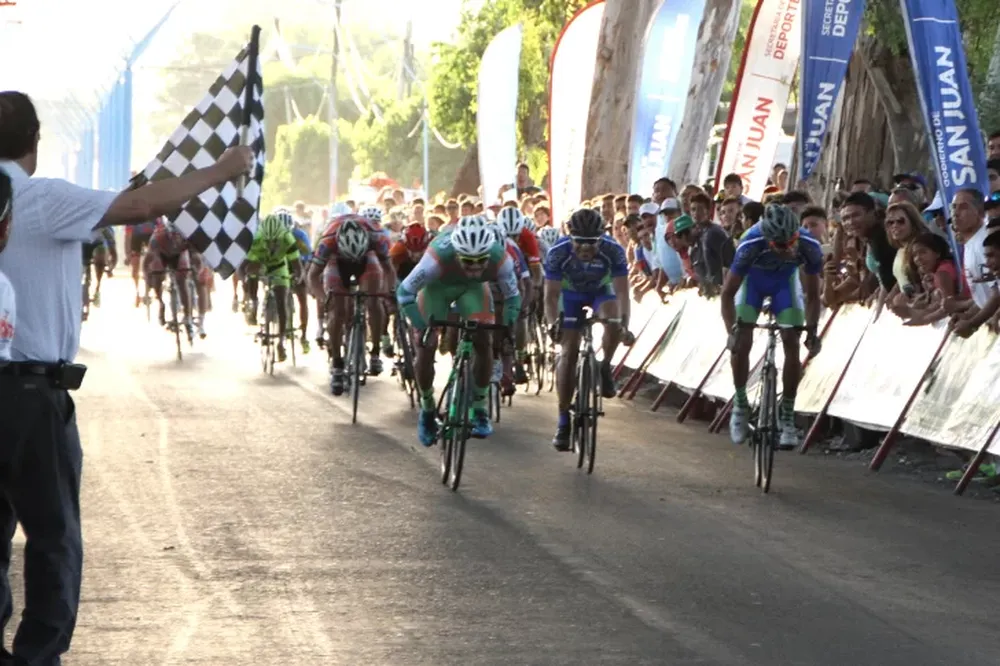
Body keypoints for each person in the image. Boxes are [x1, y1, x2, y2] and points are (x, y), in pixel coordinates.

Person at [0, 89, 252, 666]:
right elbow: (139, 211)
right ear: (35, 143)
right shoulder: (38, 197)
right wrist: (223, 167)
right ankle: (37, 657)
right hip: (32, 395)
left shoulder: (32, 200)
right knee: (52, 536)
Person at [397, 215, 522, 445]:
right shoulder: (435, 259)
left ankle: (479, 408)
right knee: (425, 348)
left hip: (472, 291)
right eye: (467, 262)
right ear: (456, 254)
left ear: (488, 254)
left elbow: (513, 297)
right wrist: (421, 326)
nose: (474, 269)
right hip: (437, 289)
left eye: (480, 262)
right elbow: (404, 293)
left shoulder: (500, 259)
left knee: (483, 340)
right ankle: (427, 409)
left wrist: (507, 326)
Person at [721, 204, 823, 450]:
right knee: (742, 339)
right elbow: (727, 294)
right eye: (779, 246)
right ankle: (741, 403)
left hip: (784, 285)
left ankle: (787, 414)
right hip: (751, 285)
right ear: (767, 240)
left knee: (792, 340)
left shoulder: (810, 246)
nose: (787, 250)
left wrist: (812, 330)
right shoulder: (750, 244)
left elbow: (812, 295)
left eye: (791, 243)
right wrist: (731, 332)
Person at [544, 208, 630, 451]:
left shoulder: (614, 250)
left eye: (592, 243)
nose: (585, 248)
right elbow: (550, 297)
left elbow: (623, 293)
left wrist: (624, 326)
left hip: (601, 293)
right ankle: (563, 421)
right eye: (580, 242)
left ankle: (604, 366)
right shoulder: (557, 253)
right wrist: (553, 324)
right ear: (570, 238)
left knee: (613, 319)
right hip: (569, 296)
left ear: (601, 238)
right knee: (568, 351)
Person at [308, 208, 393, 395]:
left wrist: (387, 293)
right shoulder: (327, 241)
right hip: (336, 261)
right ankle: (337, 363)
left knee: (374, 301)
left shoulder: (377, 237)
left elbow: (389, 270)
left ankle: (376, 351)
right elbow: (312, 276)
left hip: (367, 258)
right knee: (337, 311)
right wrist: (325, 298)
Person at [244, 211, 304, 363]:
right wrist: (252, 274)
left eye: (275, 242)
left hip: (279, 267)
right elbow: (248, 266)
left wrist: (297, 276)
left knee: (281, 300)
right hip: (261, 263)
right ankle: (254, 303)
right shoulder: (257, 239)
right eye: (268, 242)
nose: (271, 245)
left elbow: (297, 265)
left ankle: (281, 342)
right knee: (251, 277)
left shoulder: (287, 238)